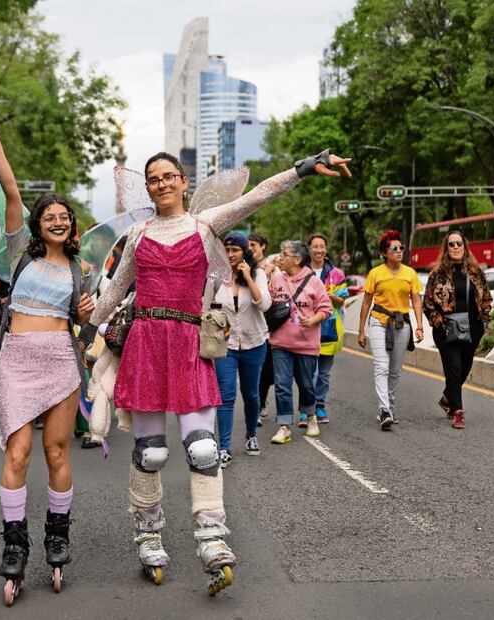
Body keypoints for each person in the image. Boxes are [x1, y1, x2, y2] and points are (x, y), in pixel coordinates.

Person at [78, 146, 350, 594]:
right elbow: (115, 292)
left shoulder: (206, 225)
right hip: (147, 344)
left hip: (189, 344)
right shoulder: (139, 235)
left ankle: (212, 539)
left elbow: (259, 195)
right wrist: (85, 326)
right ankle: (148, 535)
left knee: (203, 448)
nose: (162, 184)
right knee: (150, 452)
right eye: (153, 179)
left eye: (169, 176)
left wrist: (302, 168)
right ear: (147, 188)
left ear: (184, 183)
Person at [0, 110, 96, 603]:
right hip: (19, 359)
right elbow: (12, 193)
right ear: (39, 225)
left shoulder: (83, 269)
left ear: (72, 225)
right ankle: (15, 546)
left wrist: (85, 313)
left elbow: (84, 323)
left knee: (56, 452)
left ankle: (57, 538)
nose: (58, 221)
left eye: (65, 217)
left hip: (61, 359)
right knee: (17, 453)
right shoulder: (22, 251)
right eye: (50, 217)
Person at [423, 231, 492, 430]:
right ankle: (457, 411)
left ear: (465, 246)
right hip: (446, 329)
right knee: (453, 366)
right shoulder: (437, 274)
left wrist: (484, 321)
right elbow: (428, 303)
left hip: (472, 328)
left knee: (464, 367)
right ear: (446, 248)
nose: (455, 247)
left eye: (459, 243)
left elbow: (486, 298)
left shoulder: (476, 272)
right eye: (451, 244)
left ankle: (448, 397)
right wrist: (438, 322)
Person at [357, 231, 425, 430]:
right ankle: (384, 409)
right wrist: (361, 330)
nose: (399, 251)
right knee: (382, 366)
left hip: (401, 324)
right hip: (379, 321)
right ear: (384, 253)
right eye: (394, 248)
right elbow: (366, 302)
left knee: (395, 370)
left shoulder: (410, 273)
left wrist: (419, 326)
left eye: (401, 248)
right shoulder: (375, 273)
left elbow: (416, 300)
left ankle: (389, 409)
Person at [214, 232, 270, 466]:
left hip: (254, 343)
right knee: (226, 396)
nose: (230, 254)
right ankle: (224, 447)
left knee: (251, 394)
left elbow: (265, 304)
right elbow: (205, 308)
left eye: (235, 250)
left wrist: (247, 277)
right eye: (226, 250)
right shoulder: (216, 278)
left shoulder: (258, 274)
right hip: (225, 344)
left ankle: (251, 436)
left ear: (244, 251)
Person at [268, 240, 332, 444]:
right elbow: (267, 304)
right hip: (280, 343)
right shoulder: (276, 279)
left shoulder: (314, 281)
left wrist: (313, 320)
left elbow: (326, 309)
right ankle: (284, 426)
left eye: (284, 254)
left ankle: (311, 416)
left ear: (296, 259)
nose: (280, 258)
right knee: (282, 385)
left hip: (306, 345)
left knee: (306, 385)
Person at [307, 233, 349, 424]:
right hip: (307, 329)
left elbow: (341, 301)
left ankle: (320, 406)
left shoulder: (336, 274)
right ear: (309, 249)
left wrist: (327, 295)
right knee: (309, 374)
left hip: (329, 329)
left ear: (326, 249)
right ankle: (306, 408)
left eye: (322, 246)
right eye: (315, 246)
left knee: (323, 375)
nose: (319, 250)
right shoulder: (301, 271)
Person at [250, 232, 274, 425]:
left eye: (254, 245)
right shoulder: (245, 267)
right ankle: (256, 407)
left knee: (267, 371)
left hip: (271, 323)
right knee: (254, 370)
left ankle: (262, 398)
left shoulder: (274, 268)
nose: (250, 249)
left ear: (263, 246)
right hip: (250, 324)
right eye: (248, 245)